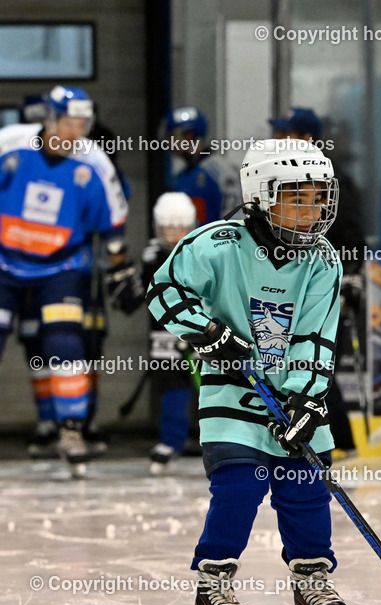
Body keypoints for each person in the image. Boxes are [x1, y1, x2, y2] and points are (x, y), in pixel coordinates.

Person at [146, 139, 350, 605]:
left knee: (306, 490)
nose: (311, 211)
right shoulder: (216, 244)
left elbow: (316, 337)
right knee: (239, 486)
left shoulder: (323, 261)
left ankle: (311, 584)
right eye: (296, 198)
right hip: (230, 394)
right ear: (260, 195)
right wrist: (207, 333)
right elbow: (164, 291)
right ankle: (213, 584)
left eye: (318, 198)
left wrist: (306, 400)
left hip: (295, 397)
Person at [0, 85, 138, 477]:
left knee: (65, 343)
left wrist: (119, 267)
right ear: (49, 119)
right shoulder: (9, 145)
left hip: (60, 269)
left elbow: (113, 224)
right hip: (3, 264)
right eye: (70, 124)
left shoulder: (94, 163)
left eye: (83, 125)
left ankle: (71, 431)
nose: (76, 133)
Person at [271, 106, 366, 459]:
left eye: (286, 133)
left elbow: (354, 238)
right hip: (290, 286)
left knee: (316, 360)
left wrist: (351, 279)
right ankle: (333, 437)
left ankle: (337, 439)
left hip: (326, 284)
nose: (279, 140)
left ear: (307, 138)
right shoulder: (275, 178)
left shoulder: (333, 180)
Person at [141, 192, 200, 474]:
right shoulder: (151, 257)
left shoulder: (202, 252)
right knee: (172, 391)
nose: (174, 236)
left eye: (180, 229)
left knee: (214, 390)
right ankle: (171, 441)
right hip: (165, 338)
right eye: (168, 229)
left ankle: (222, 444)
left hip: (200, 336)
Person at [166, 106, 242, 224]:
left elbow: (236, 216)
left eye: (173, 136)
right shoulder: (181, 177)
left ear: (189, 136)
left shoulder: (221, 171)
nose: (170, 142)